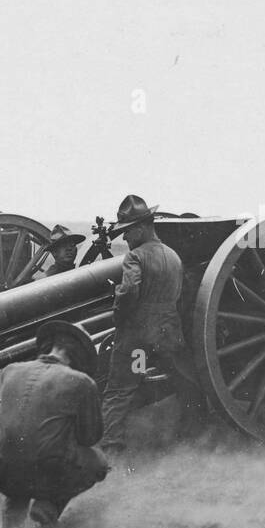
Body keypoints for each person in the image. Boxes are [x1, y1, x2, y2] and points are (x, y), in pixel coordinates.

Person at [99, 194, 206, 452]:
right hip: (168, 332)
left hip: (137, 336)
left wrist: (119, 317)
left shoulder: (135, 257)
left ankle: (111, 449)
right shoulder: (174, 256)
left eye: (127, 232)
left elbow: (128, 292)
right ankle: (192, 438)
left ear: (140, 228)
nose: (125, 238)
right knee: (185, 382)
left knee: (119, 391)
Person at [0, 320, 108, 528]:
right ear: (79, 356)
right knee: (97, 462)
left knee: (19, 448)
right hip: (45, 472)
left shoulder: (10, 370)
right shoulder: (82, 382)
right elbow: (89, 437)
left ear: (48, 345)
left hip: (1, 473)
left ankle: (12, 520)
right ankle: (48, 506)